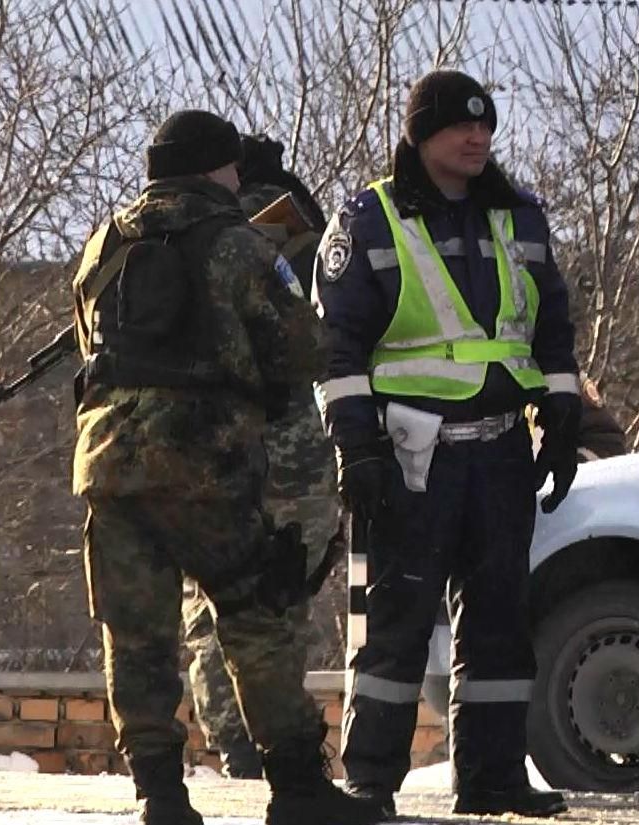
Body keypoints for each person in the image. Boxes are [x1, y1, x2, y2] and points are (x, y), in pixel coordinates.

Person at [70, 109, 380, 825]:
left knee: (136, 633)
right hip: (209, 466)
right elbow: (303, 351)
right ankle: (298, 786)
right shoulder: (241, 246)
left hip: (109, 467)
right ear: (216, 168)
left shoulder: (102, 245)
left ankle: (160, 792)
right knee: (256, 616)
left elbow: (91, 343)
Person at [313, 70, 580, 818]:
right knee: (396, 624)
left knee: (500, 622)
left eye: (485, 127)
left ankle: (493, 777)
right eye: (460, 128)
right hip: (411, 454)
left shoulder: (520, 215)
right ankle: (370, 779)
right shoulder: (370, 218)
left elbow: (552, 327)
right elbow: (335, 350)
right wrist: (356, 449)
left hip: (499, 450)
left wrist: (561, 423)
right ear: (420, 135)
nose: (476, 139)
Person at [180, 133, 338, 781]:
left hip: (242, 437)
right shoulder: (290, 214)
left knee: (217, 594)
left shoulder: (238, 224)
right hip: (297, 442)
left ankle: (240, 738)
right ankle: (270, 733)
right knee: (282, 588)